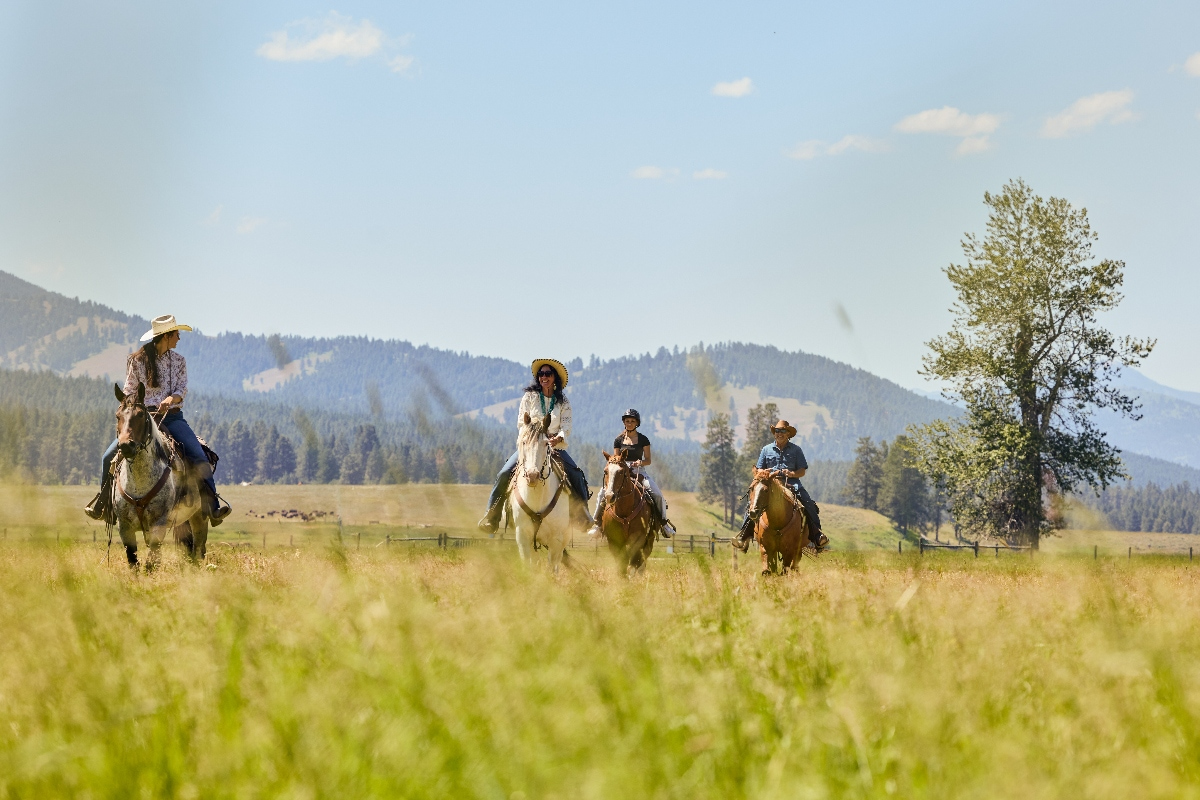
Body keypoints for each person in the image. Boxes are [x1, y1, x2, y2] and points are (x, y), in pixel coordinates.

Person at [84, 315, 231, 526]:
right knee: (108, 457)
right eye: (176, 334)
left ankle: (213, 507)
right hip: (143, 419)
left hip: (172, 418)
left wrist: (170, 399)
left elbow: (182, 390)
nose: (179, 338)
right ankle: (104, 505)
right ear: (166, 336)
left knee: (199, 455)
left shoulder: (179, 361)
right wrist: (134, 405)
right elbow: (129, 390)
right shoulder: (137, 361)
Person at [477, 358, 591, 532]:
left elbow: (566, 426)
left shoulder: (563, 402)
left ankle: (583, 516)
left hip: (554, 446)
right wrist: (533, 437)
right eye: (541, 374)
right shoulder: (529, 397)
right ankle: (491, 517)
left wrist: (557, 438)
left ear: (555, 378)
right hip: (530, 445)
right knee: (504, 473)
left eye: (548, 374)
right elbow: (521, 423)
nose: (544, 377)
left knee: (576, 474)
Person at [731, 420, 827, 552]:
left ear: (788, 434)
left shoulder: (796, 450)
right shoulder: (766, 449)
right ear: (774, 433)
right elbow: (759, 469)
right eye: (777, 431)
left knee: (808, 503)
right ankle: (744, 535)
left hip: (791, 483)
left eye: (782, 431)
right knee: (752, 504)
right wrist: (765, 473)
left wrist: (792, 473)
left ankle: (817, 535)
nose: (779, 434)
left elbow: (802, 471)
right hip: (769, 483)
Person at [587, 409, 675, 538]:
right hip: (620, 471)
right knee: (602, 493)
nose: (629, 423)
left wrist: (640, 462)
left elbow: (648, 460)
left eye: (632, 421)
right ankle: (597, 524)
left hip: (639, 470)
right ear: (624, 422)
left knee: (657, 494)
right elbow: (616, 460)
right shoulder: (618, 440)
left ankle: (663, 524)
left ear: (637, 423)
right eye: (627, 421)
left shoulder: (644, 439)